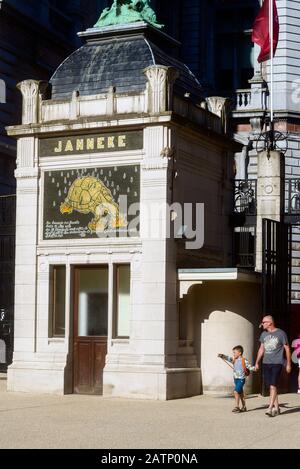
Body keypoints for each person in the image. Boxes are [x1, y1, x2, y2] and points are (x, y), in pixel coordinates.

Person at [255, 315, 292, 417]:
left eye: (263, 322)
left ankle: (270, 408)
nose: (262, 324)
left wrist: (288, 364)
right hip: (266, 363)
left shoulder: (281, 333)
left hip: (277, 363)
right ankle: (277, 407)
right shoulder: (263, 334)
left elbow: (287, 349)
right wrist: (257, 362)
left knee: (272, 385)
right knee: (271, 386)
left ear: (269, 323)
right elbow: (261, 349)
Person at [218, 345, 255, 413]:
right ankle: (244, 407)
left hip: (241, 379)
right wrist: (222, 356)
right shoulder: (234, 360)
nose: (233, 354)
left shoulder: (244, 360)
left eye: (234, 352)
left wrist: (254, 368)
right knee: (240, 393)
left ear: (240, 353)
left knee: (236, 391)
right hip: (236, 379)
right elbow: (228, 358)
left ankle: (237, 406)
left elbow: (249, 367)